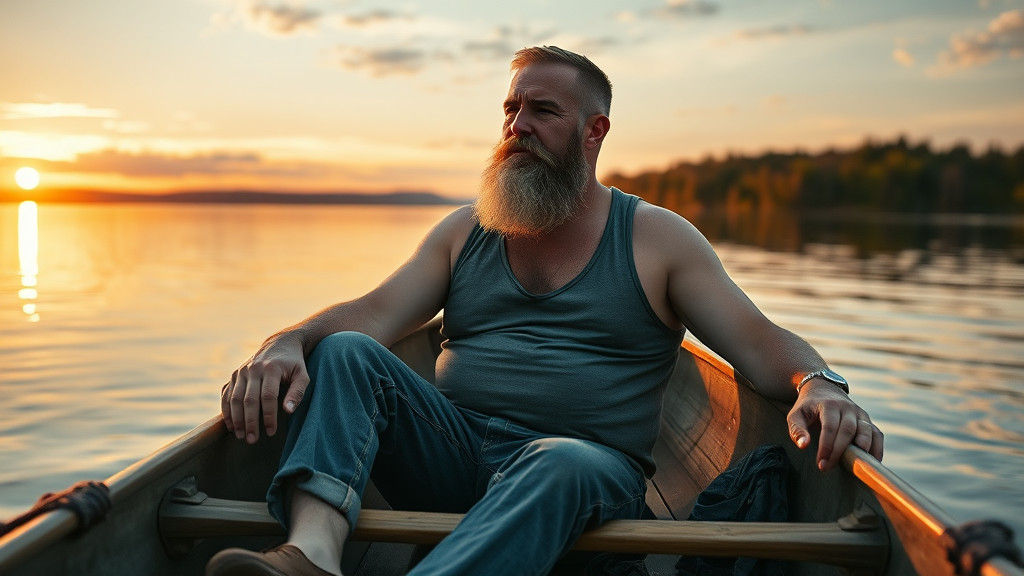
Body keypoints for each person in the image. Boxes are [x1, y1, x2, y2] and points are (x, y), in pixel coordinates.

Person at [207, 46, 884, 576]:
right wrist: (287, 340)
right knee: (345, 353)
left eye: (543, 112)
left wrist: (819, 384)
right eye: (510, 109)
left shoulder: (656, 239)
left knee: (560, 460)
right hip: (457, 457)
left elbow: (761, 344)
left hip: (588, 478)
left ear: (595, 131)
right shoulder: (464, 231)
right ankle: (313, 556)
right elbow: (376, 314)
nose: (517, 127)